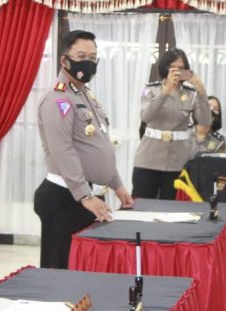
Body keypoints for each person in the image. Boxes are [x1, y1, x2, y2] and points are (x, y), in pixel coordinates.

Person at [34, 29, 133, 269]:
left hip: (85, 197)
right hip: (66, 198)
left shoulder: (84, 95)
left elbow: (100, 145)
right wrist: (85, 196)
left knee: (83, 269)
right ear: (64, 60)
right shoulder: (58, 98)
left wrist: (117, 184)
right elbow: (62, 151)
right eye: (81, 56)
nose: (88, 62)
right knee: (61, 271)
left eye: (93, 57)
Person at [133, 49, 212, 198]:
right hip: (149, 158)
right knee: (141, 204)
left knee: (172, 207)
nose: (177, 72)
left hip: (178, 161)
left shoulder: (191, 93)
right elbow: (146, 116)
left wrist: (202, 94)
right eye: (173, 68)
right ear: (165, 68)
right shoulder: (150, 89)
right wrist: (166, 91)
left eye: (181, 68)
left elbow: (205, 121)